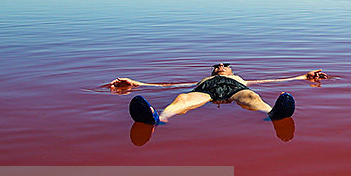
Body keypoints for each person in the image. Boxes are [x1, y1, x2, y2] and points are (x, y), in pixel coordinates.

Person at [109, 63, 328, 124]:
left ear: (232, 71)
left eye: (225, 65)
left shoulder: (239, 79)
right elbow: (167, 86)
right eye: (217, 66)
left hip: (236, 91)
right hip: (205, 92)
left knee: (252, 97)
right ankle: (158, 118)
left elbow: (272, 80)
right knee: (183, 98)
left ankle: (274, 113)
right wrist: (135, 83)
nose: (221, 66)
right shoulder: (205, 80)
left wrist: (302, 77)